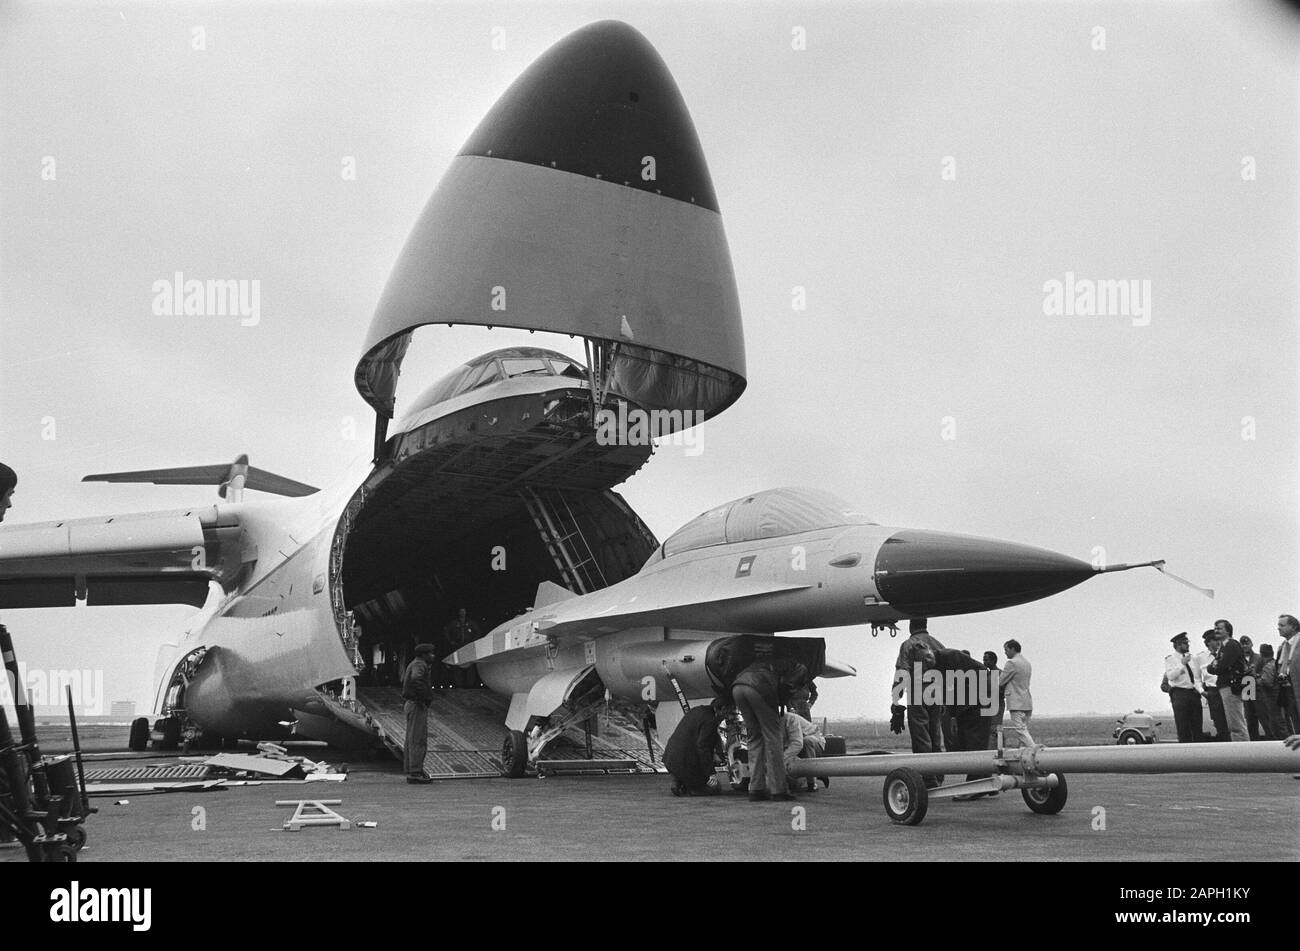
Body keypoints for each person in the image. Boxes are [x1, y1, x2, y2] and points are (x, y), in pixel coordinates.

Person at [890, 618, 947, 787]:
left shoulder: (909, 644)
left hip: (917, 693)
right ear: (925, 625)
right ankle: (939, 775)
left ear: (910, 626)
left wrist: (896, 697)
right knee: (936, 734)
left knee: (921, 735)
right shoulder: (938, 644)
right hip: (936, 693)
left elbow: (902, 671)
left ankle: (928, 778)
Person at [930, 648, 995, 789]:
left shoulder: (948, 658)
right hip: (972, 701)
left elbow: (951, 688)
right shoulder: (945, 660)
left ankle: (975, 785)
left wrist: (953, 714)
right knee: (972, 739)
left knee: (974, 741)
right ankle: (986, 781)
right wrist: (953, 715)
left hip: (977, 700)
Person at [731, 658, 794, 802]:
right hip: (758, 687)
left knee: (754, 738)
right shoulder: (796, 666)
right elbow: (788, 686)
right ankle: (778, 790)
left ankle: (755, 789)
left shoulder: (757, 663)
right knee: (773, 738)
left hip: (737, 687)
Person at [663, 698, 726, 796]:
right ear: (723, 709)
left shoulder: (697, 711)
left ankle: (679, 780)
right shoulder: (711, 721)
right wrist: (711, 774)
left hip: (670, 759)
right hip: (685, 762)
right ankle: (691, 788)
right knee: (715, 788)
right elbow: (703, 747)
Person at [401, 644, 437, 783]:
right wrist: (423, 698)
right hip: (416, 704)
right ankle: (415, 772)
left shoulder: (415, 663)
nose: (433, 656)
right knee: (418, 739)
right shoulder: (420, 665)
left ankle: (412, 769)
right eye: (431, 653)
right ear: (424, 655)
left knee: (411, 738)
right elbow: (417, 679)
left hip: (411, 704)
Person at [1208, 620, 1248, 742]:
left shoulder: (1231, 645)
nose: (1216, 630)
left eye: (1219, 628)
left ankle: (1244, 753)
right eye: (1215, 628)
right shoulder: (1223, 647)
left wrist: (1215, 665)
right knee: (1233, 723)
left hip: (1231, 687)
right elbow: (1212, 667)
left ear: (1228, 630)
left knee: (1236, 724)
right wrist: (1215, 665)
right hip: (1225, 687)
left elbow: (1220, 666)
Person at [1163, 631, 1205, 743]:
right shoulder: (1170, 659)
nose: (1188, 645)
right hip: (1180, 694)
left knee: (1197, 727)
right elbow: (1171, 676)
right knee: (1183, 727)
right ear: (1177, 644)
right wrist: (1181, 664)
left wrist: (1200, 690)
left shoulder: (1192, 659)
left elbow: (1196, 678)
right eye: (1185, 643)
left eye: (1188, 642)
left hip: (1193, 694)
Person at [781, 709, 828, 793]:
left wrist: (782, 760)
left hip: (814, 740)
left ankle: (812, 783)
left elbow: (797, 743)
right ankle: (818, 773)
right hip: (796, 743)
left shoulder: (789, 718)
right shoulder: (768, 721)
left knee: (807, 741)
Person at [1194, 630, 1229, 741]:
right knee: (1219, 723)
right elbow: (1197, 679)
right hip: (1213, 692)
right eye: (1215, 640)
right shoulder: (1200, 658)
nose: (1218, 642)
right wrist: (1202, 691)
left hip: (1227, 689)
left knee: (1232, 722)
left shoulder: (1225, 654)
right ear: (1208, 642)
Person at [1000, 639, 1034, 747]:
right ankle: (1024, 752)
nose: (1005, 652)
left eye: (1006, 650)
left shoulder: (1012, 663)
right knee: (1024, 730)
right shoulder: (1026, 662)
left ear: (1012, 649)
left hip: (1016, 702)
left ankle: (1034, 750)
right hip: (1026, 702)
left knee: (1021, 731)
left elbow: (1001, 681)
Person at [1277, 614, 1300, 736]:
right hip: (1288, 688)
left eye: (1282, 625)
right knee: (1295, 721)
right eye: (1278, 625)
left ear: (1293, 626)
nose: (1278, 628)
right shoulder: (1283, 646)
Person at [1256, 644, 1283, 741]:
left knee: (1276, 725)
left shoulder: (1267, 666)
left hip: (1272, 699)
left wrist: (1257, 679)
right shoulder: (1275, 664)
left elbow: (1267, 682)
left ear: (1261, 654)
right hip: (1279, 698)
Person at [1239, 635, 1262, 741]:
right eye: (1242, 644)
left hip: (1258, 691)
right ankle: (1253, 742)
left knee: (1264, 717)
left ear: (1251, 644)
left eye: (1246, 644)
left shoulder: (1259, 657)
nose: (1245, 646)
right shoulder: (1238, 659)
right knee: (1250, 720)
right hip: (1246, 691)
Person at [982, 650, 1005, 747]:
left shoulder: (1000, 674)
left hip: (997, 704)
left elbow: (1003, 690)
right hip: (987, 704)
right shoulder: (986, 674)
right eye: (984, 660)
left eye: (986, 660)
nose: (984, 662)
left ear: (993, 661)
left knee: (996, 727)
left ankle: (1000, 746)